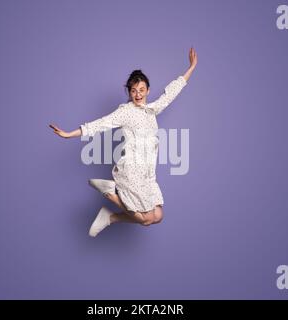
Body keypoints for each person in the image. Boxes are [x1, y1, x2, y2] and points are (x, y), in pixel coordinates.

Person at [49, 47, 197, 237]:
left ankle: (110, 217)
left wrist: (191, 67)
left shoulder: (151, 110)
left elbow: (169, 95)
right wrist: (70, 133)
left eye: (141, 90)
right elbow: (101, 123)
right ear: (129, 92)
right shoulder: (125, 112)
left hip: (147, 173)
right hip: (131, 169)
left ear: (148, 91)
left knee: (157, 215)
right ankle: (110, 192)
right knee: (144, 219)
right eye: (134, 91)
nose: (138, 94)